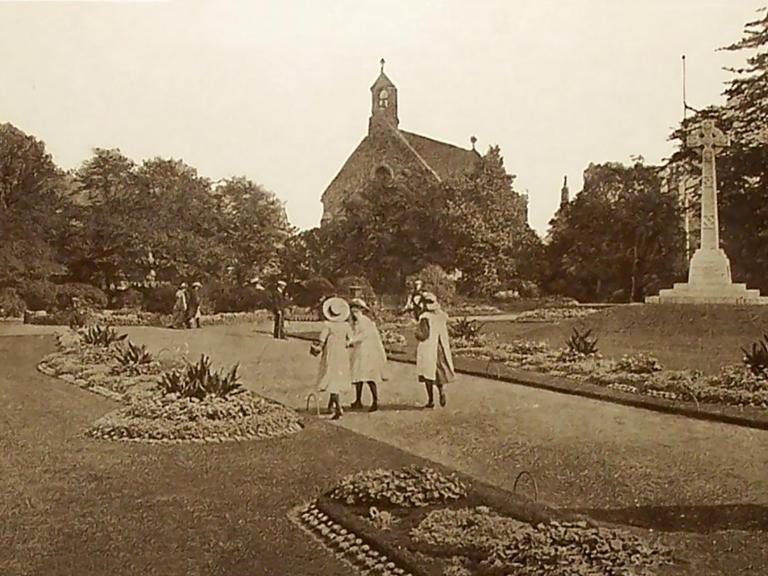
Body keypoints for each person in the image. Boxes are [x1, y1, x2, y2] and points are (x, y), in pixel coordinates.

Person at [311, 297, 352, 420]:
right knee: (337, 377)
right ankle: (331, 404)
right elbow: (350, 339)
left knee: (331, 378)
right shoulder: (345, 325)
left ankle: (338, 406)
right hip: (342, 354)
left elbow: (321, 340)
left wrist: (317, 348)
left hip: (331, 353)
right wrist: (345, 343)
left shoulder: (328, 325)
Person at [415, 291, 455, 408]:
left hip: (428, 347)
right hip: (440, 347)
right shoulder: (441, 316)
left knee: (427, 374)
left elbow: (423, 335)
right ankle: (441, 391)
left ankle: (431, 400)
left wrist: (417, 333)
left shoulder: (425, 317)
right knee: (438, 373)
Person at [347, 298, 388, 412]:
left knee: (369, 376)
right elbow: (353, 333)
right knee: (357, 376)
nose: (353, 311)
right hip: (359, 350)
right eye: (352, 308)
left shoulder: (365, 321)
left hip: (367, 351)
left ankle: (375, 401)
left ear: (360, 310)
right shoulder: (354, 322)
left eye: (356, 308)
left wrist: (351, 341)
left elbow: (364, 335)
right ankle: (358, 400)